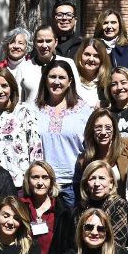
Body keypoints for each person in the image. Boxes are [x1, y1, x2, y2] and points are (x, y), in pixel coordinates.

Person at [32, 59, 91, 206]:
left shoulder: (84, 110)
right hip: (42, 184)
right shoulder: (33, 109)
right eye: (52, 77)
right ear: (45, 79)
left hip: (73, 184)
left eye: (62, 77)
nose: (56, 82)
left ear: (70, 81)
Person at [0, 68, 42, 187]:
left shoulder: (24, 111)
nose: (0, 91)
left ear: (11, 88)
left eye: (4, 86)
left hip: (20, 184)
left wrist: (35, 180)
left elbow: (35, 149)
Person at [78, 158, 128, 249]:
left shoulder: (118, 205)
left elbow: (117, 243)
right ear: (85, 184)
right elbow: (75, 240)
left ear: (111, 183)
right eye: (92, 178)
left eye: (102, 178)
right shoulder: (81, 207)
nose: (97, 183)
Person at [78, 107, 128, 190]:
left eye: (108, 127)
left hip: (125, 201)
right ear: (91, 130)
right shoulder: (84, 160)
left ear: (114, 130)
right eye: (98, 127)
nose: (103, 132)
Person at [13, 24, 58, 105]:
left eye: (48, 41)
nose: (44, 45)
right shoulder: (23, 67)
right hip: (30, 116)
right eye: (40, 41)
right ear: (34, 43)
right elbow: (17, 101)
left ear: (55, 42)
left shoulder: (67, 63)